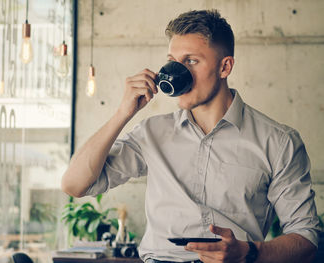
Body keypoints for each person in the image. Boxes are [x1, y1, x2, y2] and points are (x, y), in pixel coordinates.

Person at [62, 9, 321, 263]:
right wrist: (122, 113)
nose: (177, 72)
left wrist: (247, 252)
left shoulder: (279, 141)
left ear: (225, 67)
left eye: (191, 61)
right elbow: (74, 185)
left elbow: (307, 239)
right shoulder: (152, 133)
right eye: (173, 61)